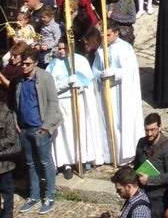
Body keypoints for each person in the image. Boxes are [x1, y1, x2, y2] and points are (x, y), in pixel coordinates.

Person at [15, 48, 62, 213]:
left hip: (40, 128)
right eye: (22, 63)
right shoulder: (19, 80)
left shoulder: (45, 77)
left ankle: (49, 196)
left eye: (27, 64)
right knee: (30, 163)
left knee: (45, 162)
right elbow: (15, 103)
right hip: (24, 128)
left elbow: (52, 103)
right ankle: (33, 195)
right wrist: (16, 122)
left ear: (35, 63)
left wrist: (45, 127)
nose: (24, 67)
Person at [48, 36, 103, 175]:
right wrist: (65, 83)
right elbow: (50, 85)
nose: (61, 52)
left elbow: (88, 80)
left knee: (80, 130)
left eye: (64, 48)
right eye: (59, 49)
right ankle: (66, 162)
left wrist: (79, 83)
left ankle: (82, 158)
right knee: (65, 133)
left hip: (78, 100)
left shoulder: (79, 60)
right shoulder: (53, 64)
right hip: (62, 102)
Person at [94, 22, 145, 164]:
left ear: (116, 33)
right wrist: (100, 74)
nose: (105, 38)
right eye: (103, 35)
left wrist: (115, 72)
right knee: (109, 121)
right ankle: (110, 154)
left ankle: (125, 153)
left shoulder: (125, 48)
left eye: (108, 35)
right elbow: (95, 69)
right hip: (106, 90)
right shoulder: (100, 49)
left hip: (121, 91)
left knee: (122, 121)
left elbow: (131, 70)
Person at [134, 115, 168, 218]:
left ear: (160, 127)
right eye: (146, 130)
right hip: (141, 189)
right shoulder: (141, 142)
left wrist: (149, 179)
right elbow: (136, 164)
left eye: (152, 130)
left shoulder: (167, 146)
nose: (149, 134)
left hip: (158, 194)